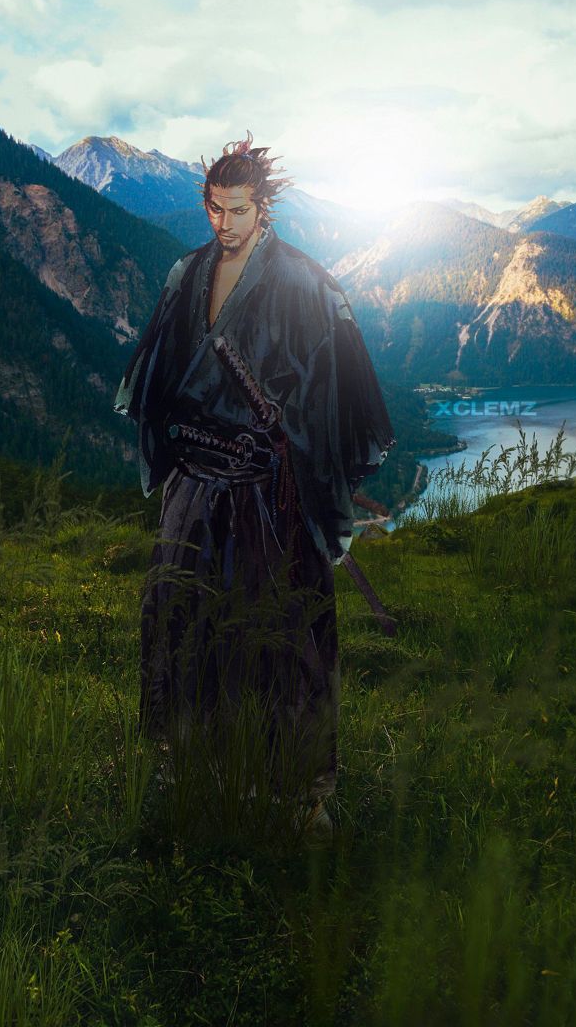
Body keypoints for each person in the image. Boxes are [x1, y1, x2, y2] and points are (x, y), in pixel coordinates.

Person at [113, 131, 395, 823]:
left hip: (269, 489)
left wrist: (301, 452)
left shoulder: (305, 283)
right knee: (179, 617)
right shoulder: (188, 274)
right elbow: (158, 370)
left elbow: (343, 387)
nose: (226, 224)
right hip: (196, 484)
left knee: (282, 634)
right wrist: (179, 440)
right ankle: (192, 768)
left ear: (262, 208)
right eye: (215, 209)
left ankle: (299, 794)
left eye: (239, 211)